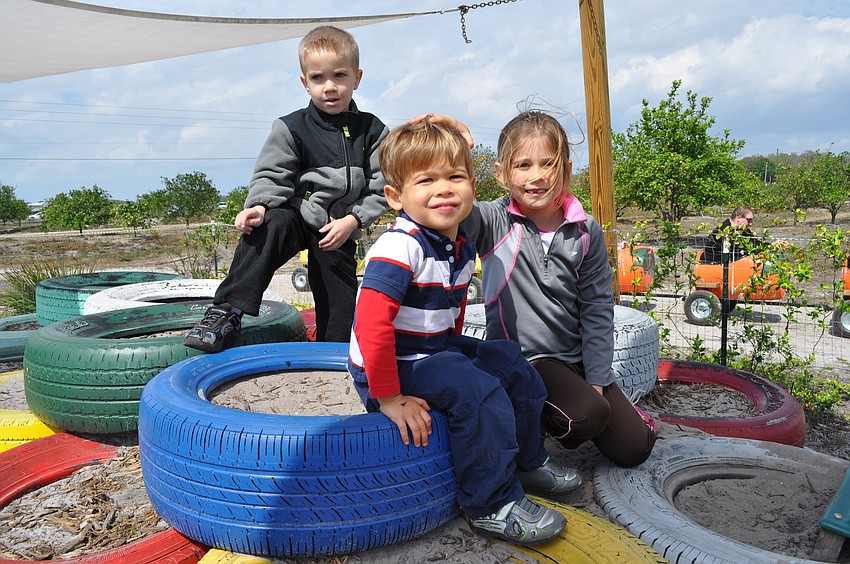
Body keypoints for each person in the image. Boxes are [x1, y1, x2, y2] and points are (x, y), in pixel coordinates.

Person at [348, 119, 581, 547]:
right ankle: (490, 503)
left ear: (473, 184)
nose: (444, 189)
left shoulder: (457, 241)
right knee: (478, 393)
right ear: (396, 196)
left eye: (455, 176)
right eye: (427, 180)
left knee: (512, 363)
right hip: (396, 361)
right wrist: (388, 397)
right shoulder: (400, 246)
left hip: (434, 348)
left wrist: (458, 350)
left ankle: (527, 462)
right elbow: (370, 326)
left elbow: (451, 308)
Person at [424, 111, 657, 469]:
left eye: (547, 164)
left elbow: (597, 309)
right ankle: (526, 417)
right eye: (523, 165)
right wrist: (462, 151)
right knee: (586, 416)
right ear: (501, 174)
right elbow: (455, 208)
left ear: (564, 168)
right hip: (526, 360)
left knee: (634, 449)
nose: (536, 176)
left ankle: (581, 405)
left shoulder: (585, 230)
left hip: (577, 357)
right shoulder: (493, 221)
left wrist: (597, 380)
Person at [184, 26, 389, 353]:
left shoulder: (373, 130)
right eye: (318, 78)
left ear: (357, 77)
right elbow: (271, 174)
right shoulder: (291, 127)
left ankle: (333, 353)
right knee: (268, 226)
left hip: (337, 227)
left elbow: (382, 185)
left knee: (340, 303)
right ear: (304, 83)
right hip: (298, 214)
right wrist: (259, 206)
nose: (330, 87)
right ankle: (226, 312)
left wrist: (353, 221)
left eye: (339, 75)